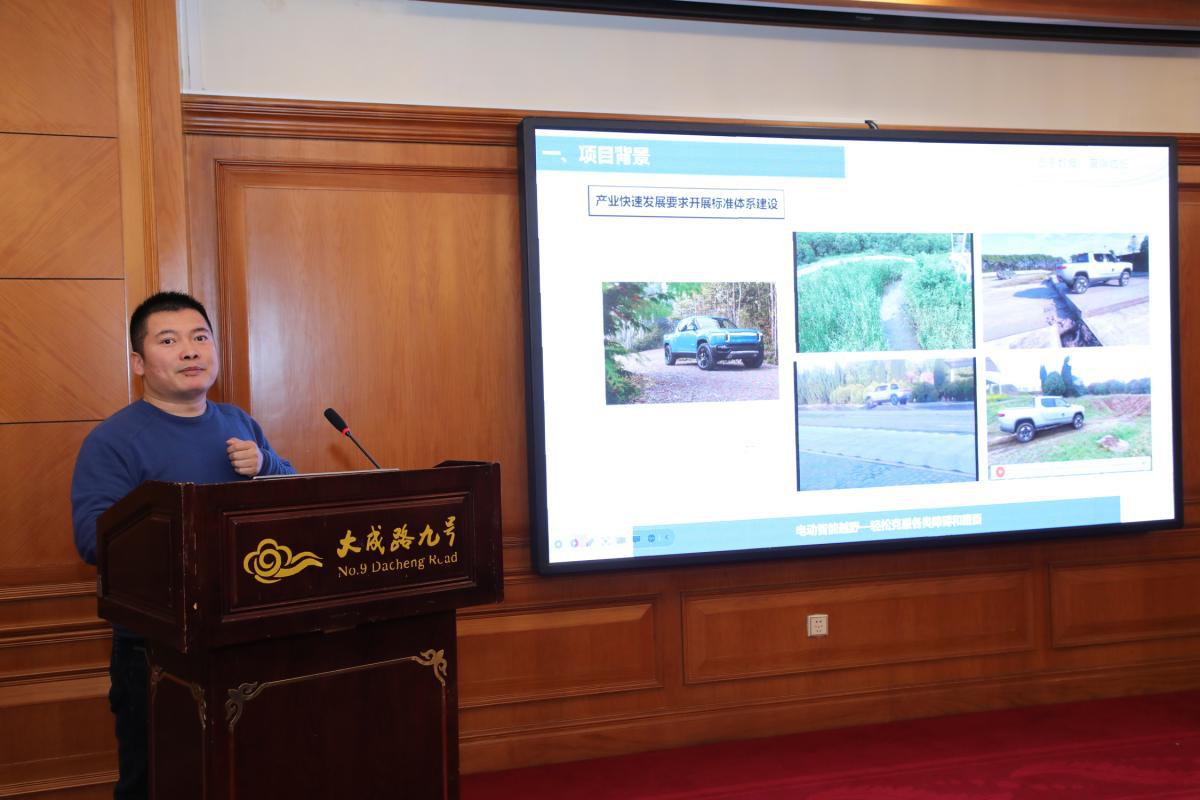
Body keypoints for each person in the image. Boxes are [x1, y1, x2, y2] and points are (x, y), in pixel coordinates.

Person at [71, 291, 295, 800]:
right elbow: (94, 539)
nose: (190, 351)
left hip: (246, 633)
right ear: (138, 361)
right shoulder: (112, 441)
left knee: (246, 773)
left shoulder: (239, 423)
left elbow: (290, 502)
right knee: (159, 780)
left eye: (200, 337)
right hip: (156, 648)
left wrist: (266, 466)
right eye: (169, 341)